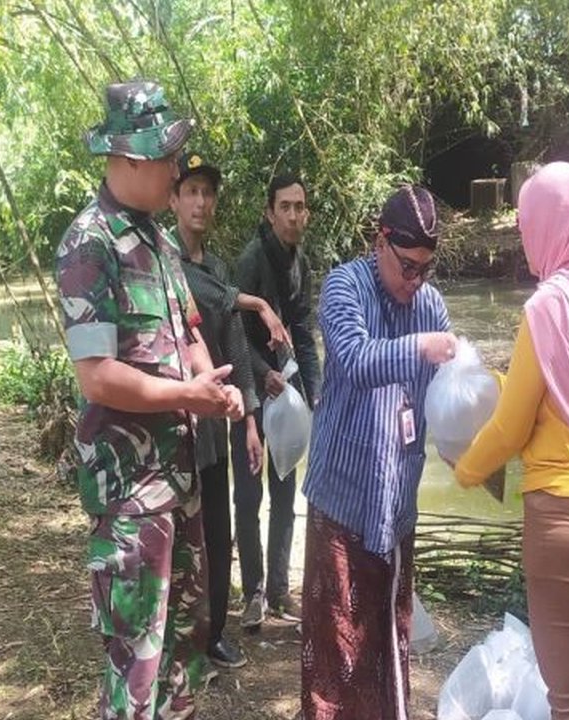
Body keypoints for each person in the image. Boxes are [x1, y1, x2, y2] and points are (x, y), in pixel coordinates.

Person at [57, 81, 244, 719]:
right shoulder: (90, 244)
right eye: (167, 158)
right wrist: (184, 393)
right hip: (133, 497)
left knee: (185, 653)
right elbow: (98, 376)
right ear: (130, 160)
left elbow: (189, 330)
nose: (177, 169)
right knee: (136, 660)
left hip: (182, 483)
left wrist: (210, 383)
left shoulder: (161, 244)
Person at [455, 162, 569, 720]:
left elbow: (511, 429)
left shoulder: (546, 307)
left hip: (568, 518)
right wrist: (506, 381)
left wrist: (465, 468)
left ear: (550, 224)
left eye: (529, 220)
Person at [301, 185, 456, 720]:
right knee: (335, 652)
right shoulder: (344, 286)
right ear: (379, 241)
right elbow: (356, 359)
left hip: (396, 506)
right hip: (342, 501)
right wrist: (419, 346)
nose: (415, 282)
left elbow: (446, 397)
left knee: (389, 640)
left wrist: (466, 441)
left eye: (426, 270)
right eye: (407, 267)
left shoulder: (430, 304)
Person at [169, 152, 289, 670]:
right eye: (191, 191)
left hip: (218, 427)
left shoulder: (216, 267)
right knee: (177, 540)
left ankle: (214, 633)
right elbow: (213, 299)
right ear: (172, 199)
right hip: (174, 427)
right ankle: (176, 642)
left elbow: (237, 348)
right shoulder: (165, 264)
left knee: (219, 536)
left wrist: (251, 423)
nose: (200, 201)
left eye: (207, 192)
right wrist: (258, 302)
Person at [232, 173, 323, 628]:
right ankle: (252, 593)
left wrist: (316, 393)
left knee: (285, 489)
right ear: (270, 212)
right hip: (251, 389)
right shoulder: (251, 261)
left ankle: (280, 591)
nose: (292, 215)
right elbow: (230, 334)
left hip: (285, 391)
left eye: (299, 207)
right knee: (249, 496)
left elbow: (303, 332)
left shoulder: (300, 263)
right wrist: (263, 374)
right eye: (284, 206)